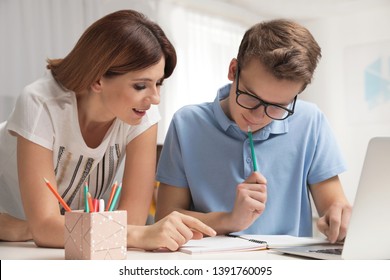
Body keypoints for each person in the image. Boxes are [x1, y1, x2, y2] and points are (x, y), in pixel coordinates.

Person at [0, 9, 215, 251]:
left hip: (56, 240)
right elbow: (45, 230)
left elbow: (131, 221)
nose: (154, 98)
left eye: (158, 83)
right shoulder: (40, 103)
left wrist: (48, 227)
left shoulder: (141, 112)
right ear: (98, 79)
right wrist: (44, 227)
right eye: (141, 85)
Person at [155, 19, 351, 243]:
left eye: (278, 107)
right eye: (250, 97)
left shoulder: (310, 121)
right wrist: (230, 220)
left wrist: (339, 218)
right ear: (233, 70)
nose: (258, 117)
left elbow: (333, 207)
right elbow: (166, 218)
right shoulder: (187, 124)